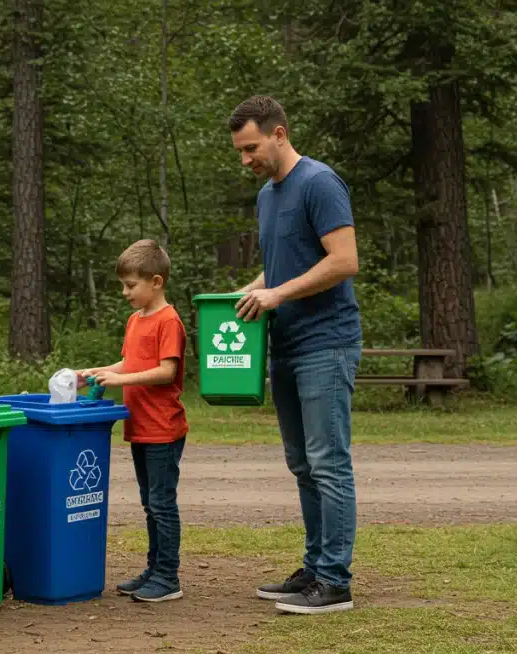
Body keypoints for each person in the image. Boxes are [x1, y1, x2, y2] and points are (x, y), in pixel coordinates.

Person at [227, 95, 362, 615]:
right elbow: (282, 269)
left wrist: (278, 295)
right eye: (240, 151)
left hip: (326, 344)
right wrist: (250, 291)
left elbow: (344, 260)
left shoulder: (320, 183)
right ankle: (314, 566)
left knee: (329, 463)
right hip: (284, 345)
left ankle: (335, 580)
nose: (246, 159)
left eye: (252, 147)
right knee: (303, 464)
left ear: (280, 134)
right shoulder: (267, 195)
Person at [77, 239, 189, 603]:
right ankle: (154, 568)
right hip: (140, 428)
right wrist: (98, 371)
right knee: (149, 502)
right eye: (123, 285)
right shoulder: (134, 320)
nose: (125, 292)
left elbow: (165, 372)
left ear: (156, 282)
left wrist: (120, 381)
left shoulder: (169, 321)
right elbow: (130, 364)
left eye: (131, 285)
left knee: (161, 503)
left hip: (163, 429)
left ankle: (168, 576)